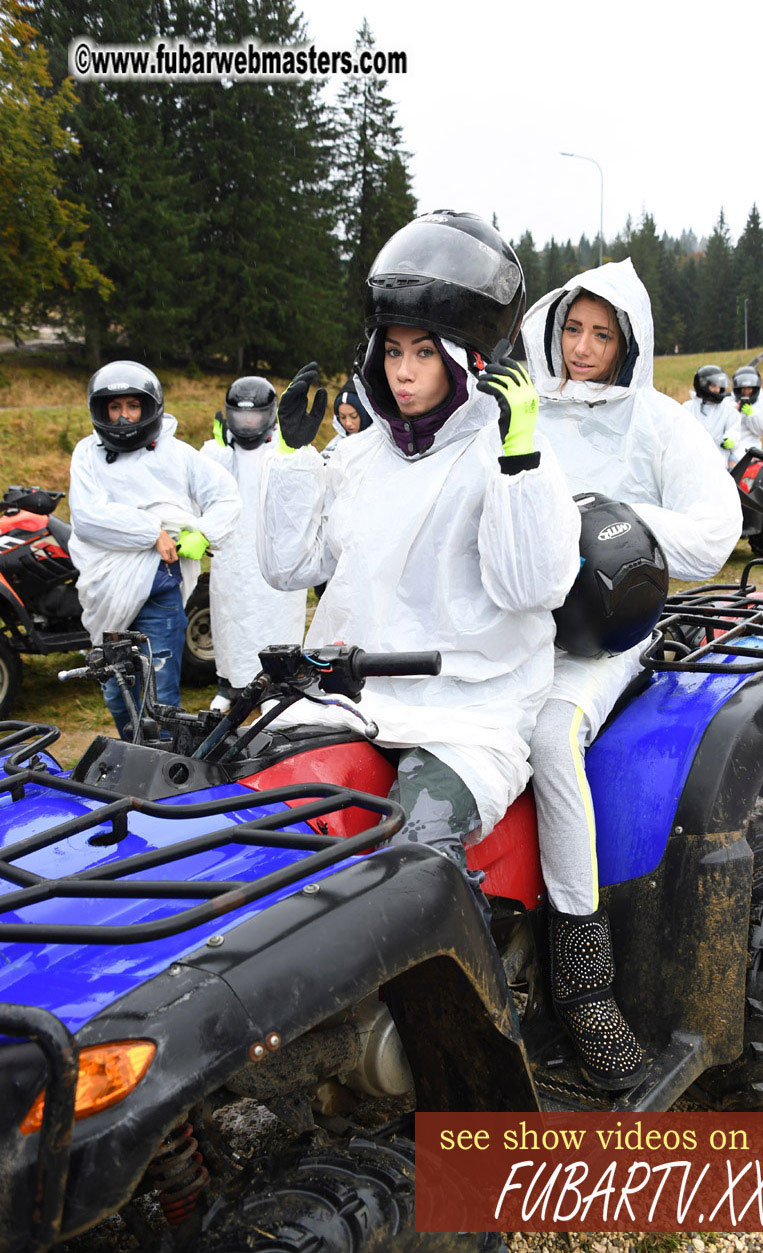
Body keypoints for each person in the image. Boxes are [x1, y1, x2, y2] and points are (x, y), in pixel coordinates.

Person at [257, 210, 581, 921]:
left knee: (409, 857)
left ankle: (472, 1017)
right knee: (254, 819)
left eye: (424, 353)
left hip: (470, 708)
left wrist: (518, 459)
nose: (402, 372)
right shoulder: (361, 455)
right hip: (352, 698)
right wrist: (288, 460)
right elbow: (288, 567)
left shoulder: (505, 452)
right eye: (393, 349)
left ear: (465, 359)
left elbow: (532, 587)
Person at [521, 259, 742, 1089]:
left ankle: (585, 984)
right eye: (572, 329)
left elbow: (713, 534)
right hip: (510, 620)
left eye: (600, 334)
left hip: (601, 634)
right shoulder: (524, 411)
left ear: (627, 343)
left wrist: (618, 519)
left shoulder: (659, 424)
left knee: (550, 735)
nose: (581, 347)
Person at [69, 361, 240, 738]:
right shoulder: (87, 454)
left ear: (149, 406)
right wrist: (151, 531)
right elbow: (87, 518)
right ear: (101, 411)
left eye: (132, 405)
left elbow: (226, 497)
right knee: (117, 692)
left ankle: (166, 782)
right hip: (107, 592)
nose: (124, 416)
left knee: (158, 697)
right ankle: (133, 764)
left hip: (159, 589)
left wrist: (204, 534)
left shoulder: (176, 454)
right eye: (115, 407)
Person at [201, 377, 307, 713]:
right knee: (229, 620)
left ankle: (276, 686)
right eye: (242, 418)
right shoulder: (214, 452)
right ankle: (230, 685)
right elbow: (201, 494)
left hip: (274, 553)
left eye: (255, 418)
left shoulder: (284, 450)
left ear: (270, 415)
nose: (248, 426)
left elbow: (302, 498)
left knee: (275, 622)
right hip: (231, 555)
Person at [682, 364, 742, 467]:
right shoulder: (688, 408)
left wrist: (731, 439)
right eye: (714, 386)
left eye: (719, 386)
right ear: (702, 385)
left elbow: (734, 429)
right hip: (693, 461)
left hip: (719, 461)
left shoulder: (727, 408)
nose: (718, 390)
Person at [321, 385, 372, 462]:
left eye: (353, 416)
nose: (348, 423)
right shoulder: (336, 442)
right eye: (343, 417)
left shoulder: (377, 442)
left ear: (365, 415)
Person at [732, 365, 763, 456]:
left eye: (749, 388)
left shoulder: (762, 403)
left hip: (752, 448)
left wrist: (752, 414)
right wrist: (733, 412)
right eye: (743, 389)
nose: (746, 392)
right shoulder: (729, 402)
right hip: (730, 449)